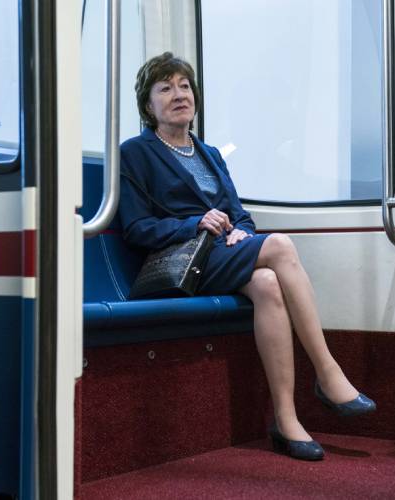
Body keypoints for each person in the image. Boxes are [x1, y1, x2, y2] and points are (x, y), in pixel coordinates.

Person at [118, 52, 376, 461]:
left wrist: (242, 231)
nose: (178, 94)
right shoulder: (136, 152)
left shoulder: (210, 154)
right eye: (165, 88)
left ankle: (286, 419)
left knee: (269, 283)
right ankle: (327, 372)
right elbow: (135, 228)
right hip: (182, 261)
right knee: (282, 246)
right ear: (148, 106)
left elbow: (239, 213)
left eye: (184, 85)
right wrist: (195, 223)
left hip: (220, 255)